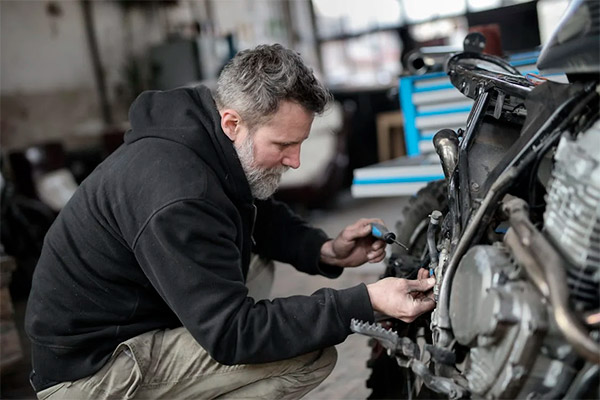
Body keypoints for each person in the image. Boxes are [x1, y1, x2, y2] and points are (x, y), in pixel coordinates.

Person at [25, 44, 436, 399]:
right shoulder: (179, 194)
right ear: (233, 123)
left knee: (258, 261)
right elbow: (234, 334)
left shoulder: (203, 138)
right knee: (306, 355)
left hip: (129, 322)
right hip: (92, 373)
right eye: (284, 145)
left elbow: (253, 210)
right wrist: (365, 301)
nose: (295, 161)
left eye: (300, 144)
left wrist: (325, 250)